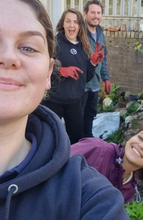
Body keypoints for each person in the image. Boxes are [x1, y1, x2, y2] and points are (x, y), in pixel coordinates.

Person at [0, 0, 130, 219]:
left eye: (28, 48)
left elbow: (86, 71)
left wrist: (94, 65)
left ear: (47, 72)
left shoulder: (89, 198)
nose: (8, 58)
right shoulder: (62, 43)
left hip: (76, 99)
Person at [42, 8, 105, 144]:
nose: (72, 25)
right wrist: (60, 70)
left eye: (75, 22)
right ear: (62, 24)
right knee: (48, 137)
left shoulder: (84, 47)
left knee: (77, 138)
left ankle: (72, 163)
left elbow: (86, 78)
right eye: (68, 21)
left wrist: (93, 63)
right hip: (53, 100)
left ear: (80, 26)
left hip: (75, 101)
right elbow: (42, 66)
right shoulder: (54, 43)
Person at [71, 127, 143, 204]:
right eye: (141, 138)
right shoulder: (96, 148)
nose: (142, 146)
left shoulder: (129, 189)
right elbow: (58, 162)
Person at [82, 0, 111, 137]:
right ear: (86, 13)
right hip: (81, 83)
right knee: (77, 117)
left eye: (98, 13)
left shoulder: (100, 31)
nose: (96, 16)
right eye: (92, 12)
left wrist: (106, 78)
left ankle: (87, 140)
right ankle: (76, 144)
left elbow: (103, 58)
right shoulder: (80, 32)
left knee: (90, 114)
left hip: (94, 83)